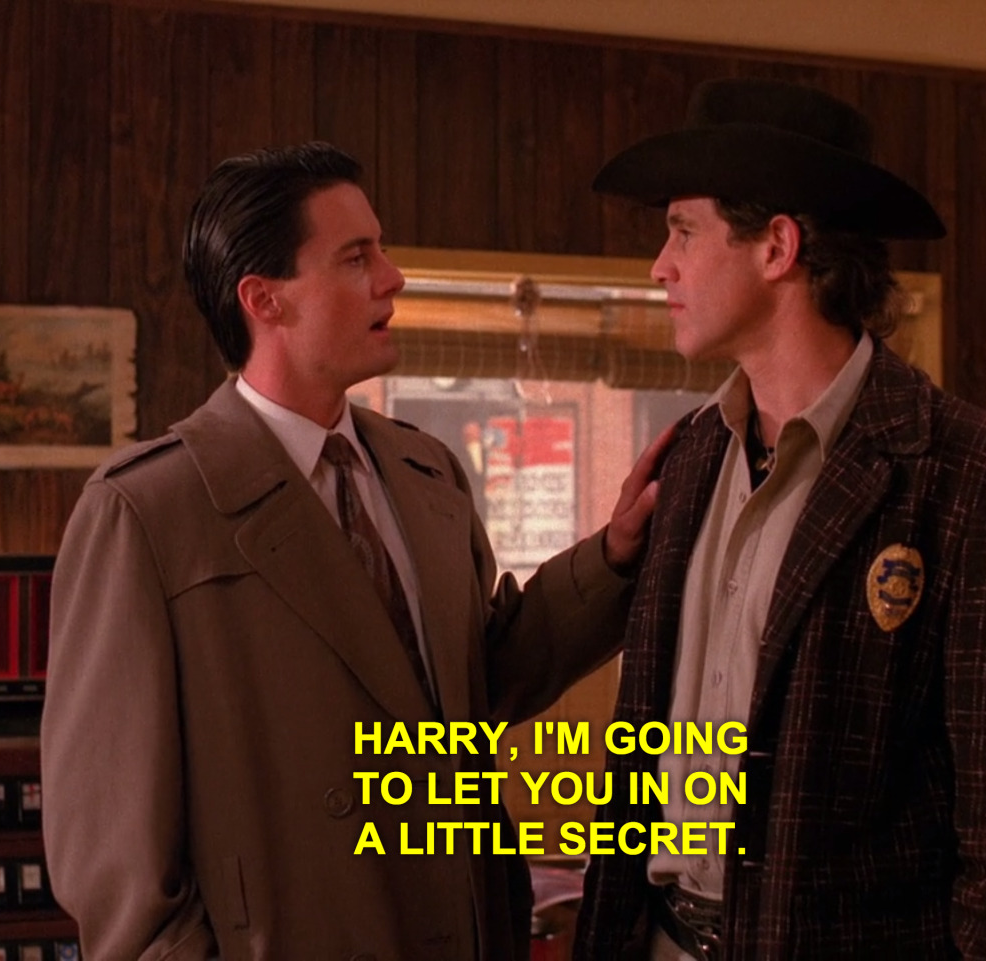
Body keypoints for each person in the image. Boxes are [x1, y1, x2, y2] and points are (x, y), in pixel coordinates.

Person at [40, 141, 669, 960]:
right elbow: (112, 864)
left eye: (381, 250)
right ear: (264, 299)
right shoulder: (146, 510)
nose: (392, 277)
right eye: (356, 257)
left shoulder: (426, 471)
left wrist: (614, 555)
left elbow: (482, 675)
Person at [574, 78, 986, 960]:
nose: (661, 265)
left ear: (777, 247)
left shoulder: (976, 477)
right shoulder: (690, 457)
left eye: (684, 231)